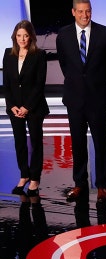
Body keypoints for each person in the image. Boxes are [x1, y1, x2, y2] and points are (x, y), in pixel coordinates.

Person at [56, 0, 106, 202]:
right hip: (75, 99)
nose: (85, 15)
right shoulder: (63, 35)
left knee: (101, 144)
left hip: (98, 98)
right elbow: (65, 65)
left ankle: (102, 186)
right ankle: (79, 184)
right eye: (81, 11)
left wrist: (99, 85)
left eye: (88, 11)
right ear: (73, 12)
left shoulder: (105, 33)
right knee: (78, 143)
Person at [3, 20, 49, 197]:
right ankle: (24, 175)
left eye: (26, 35)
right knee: (19, 142)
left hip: (34, 108)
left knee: (36, 143)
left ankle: (35, 178)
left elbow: (39, 85)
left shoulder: (39, 55)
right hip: (14, 108)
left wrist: (27, 107)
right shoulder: (8, 54)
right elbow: (7, 84)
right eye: (19, 35)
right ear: (15, 36)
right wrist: (12, 106)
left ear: (31, 37)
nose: (22, 39)